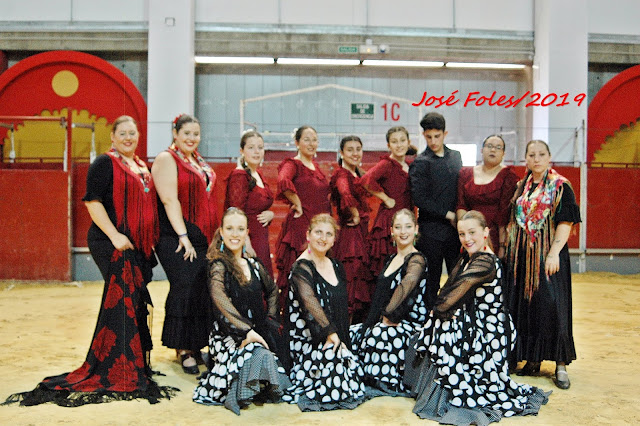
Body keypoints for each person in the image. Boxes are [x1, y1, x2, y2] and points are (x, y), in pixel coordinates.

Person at [4, 116, 177, 406]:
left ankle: (132, 364)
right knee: (121, 303)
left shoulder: (140, 166)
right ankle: (117, 369)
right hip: (111, 243)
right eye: (122, 133)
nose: (128, 138)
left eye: (132, 133)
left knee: (133, 303)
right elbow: (92, 202)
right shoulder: (104, 163)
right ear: (113, 137)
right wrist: (115, 236)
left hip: (135, 246)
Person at [406, 210, 550, 424]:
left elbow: (448, 300)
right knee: (442, 321)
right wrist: (439, 312)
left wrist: (439, 312)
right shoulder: (467, 257)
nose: (467, 239)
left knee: (444, 324)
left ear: (485, 232)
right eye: (462, 234)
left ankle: (452, 386)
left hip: (491, 331)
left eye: (472, 232)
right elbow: (447, 290)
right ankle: (440, 384)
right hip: (474, 322)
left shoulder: (486, 262)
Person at [193, 208, 291, 414]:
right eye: (230, 228)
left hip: (257, 330)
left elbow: (273, 291)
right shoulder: (218, 265)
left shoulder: (254, 264)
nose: (235, 234)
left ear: (247, 232)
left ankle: (258, 381)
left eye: (240, 229)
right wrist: (246, 332)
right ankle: (246, 387)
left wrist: (270, 319)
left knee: (282, 358)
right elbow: (220, 302)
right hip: (229, 335)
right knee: (260, 356)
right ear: (221, 232)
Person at [506, 140, 581, 390]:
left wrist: (553, 253)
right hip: (523, 258)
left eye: (541, 154)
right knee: (528, 306)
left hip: (549, 256)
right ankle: (532, 359)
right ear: (526, 159)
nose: (536, 159)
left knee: (553, 306)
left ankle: (560, 364)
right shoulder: (522, 186)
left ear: (549, 157)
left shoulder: (561, 186)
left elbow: (566, 222)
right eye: (531, 155)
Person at [151, 114, 218, 375]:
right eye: (187, 133)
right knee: (184, 286)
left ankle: (195, 343)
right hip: (174, 235)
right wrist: (182, 236)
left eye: (196, 134)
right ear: (175, 133)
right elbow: (169, 200)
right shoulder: (167, 159)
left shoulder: (197, 161)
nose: (192, 138)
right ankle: (183, 349)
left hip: (199, 236)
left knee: (200, 287)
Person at [283, 214, 366, 411]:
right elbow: (311, 306)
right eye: (318, 232)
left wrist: (343, 342)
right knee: (336, 374)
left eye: (329, 234)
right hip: (308, 342)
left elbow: (341, 309)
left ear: (334, 239)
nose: (323, 238)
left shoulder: (336, 266)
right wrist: (331, 335)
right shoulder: (301, 268)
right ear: (308, 235)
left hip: (334, 335)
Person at [350, 209, 428, 397]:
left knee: (381, 333)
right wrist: (369, 324)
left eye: (408, 227)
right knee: (352, 332)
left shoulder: (417, 259)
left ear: (416, 229)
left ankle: (385, 382)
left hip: (408, 323)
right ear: (391, 231)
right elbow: (379, 296)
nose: (403, 232)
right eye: (398, 227)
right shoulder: (391, 258)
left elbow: (406, 287)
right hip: (386, 318)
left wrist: (386, 318)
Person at [409, 112, 462, 309]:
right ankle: (430, 320)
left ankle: (455, 316)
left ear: (445, 134)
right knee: (431, 280)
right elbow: (420, 198)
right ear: (424, 135)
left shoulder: (455, 157)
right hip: (430, 231)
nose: (433, 141)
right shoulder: (420, 162)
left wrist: (460, 215)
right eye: (429, 136)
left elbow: (460, 189)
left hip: (455, 231)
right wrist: (449, 215)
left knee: (457, 277)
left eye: (437, 136)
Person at [274, 126, 331, 309]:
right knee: (299, 276)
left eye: (314, 139)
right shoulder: (293, 164)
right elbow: (283, 180)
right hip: (301, 227)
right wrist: (296, 202)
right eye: (306, 139)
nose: (311, 143)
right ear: (297, 142)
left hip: (320, 229)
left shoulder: (317, 167)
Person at [330, 135, 373, 322]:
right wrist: (354, 212)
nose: (355, 153)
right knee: (351, 283)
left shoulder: (359, 173)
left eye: (358, 149)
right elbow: (344, 191)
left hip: (361, 234)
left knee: (359, 283)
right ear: (341, 153)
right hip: (350, 238)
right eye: (350, 150)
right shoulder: (342, 174)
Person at [361, 126, 414, 276]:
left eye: (402, 140)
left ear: (408, 142)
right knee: (389, 265)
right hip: (389, 220)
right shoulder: (387, 164)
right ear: (388, 145)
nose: (399, 145)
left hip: (407, 219)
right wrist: (385, 198)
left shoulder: (410, 165)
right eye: (394, 142)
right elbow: (366, 180)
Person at [456, 135, 519, 259]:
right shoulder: (465, 173)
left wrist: (502, 245)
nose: (493, 150)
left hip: (495, 235)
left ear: (504, 153)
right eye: (489, 146)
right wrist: (465, 233)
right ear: (481, 150)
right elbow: (461, 204)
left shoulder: (508, 175)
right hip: (470, 235)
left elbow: (504, 213)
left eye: (498, 147)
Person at [224, 130, 275, 277]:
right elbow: (235, 213)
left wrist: (271, 214)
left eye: (260, 147)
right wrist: (245, 243)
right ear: (242, 151)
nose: (256, 152)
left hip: (261, 237)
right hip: (248, 239)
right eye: (251, 147)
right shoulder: (239, 176)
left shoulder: (258, 174)